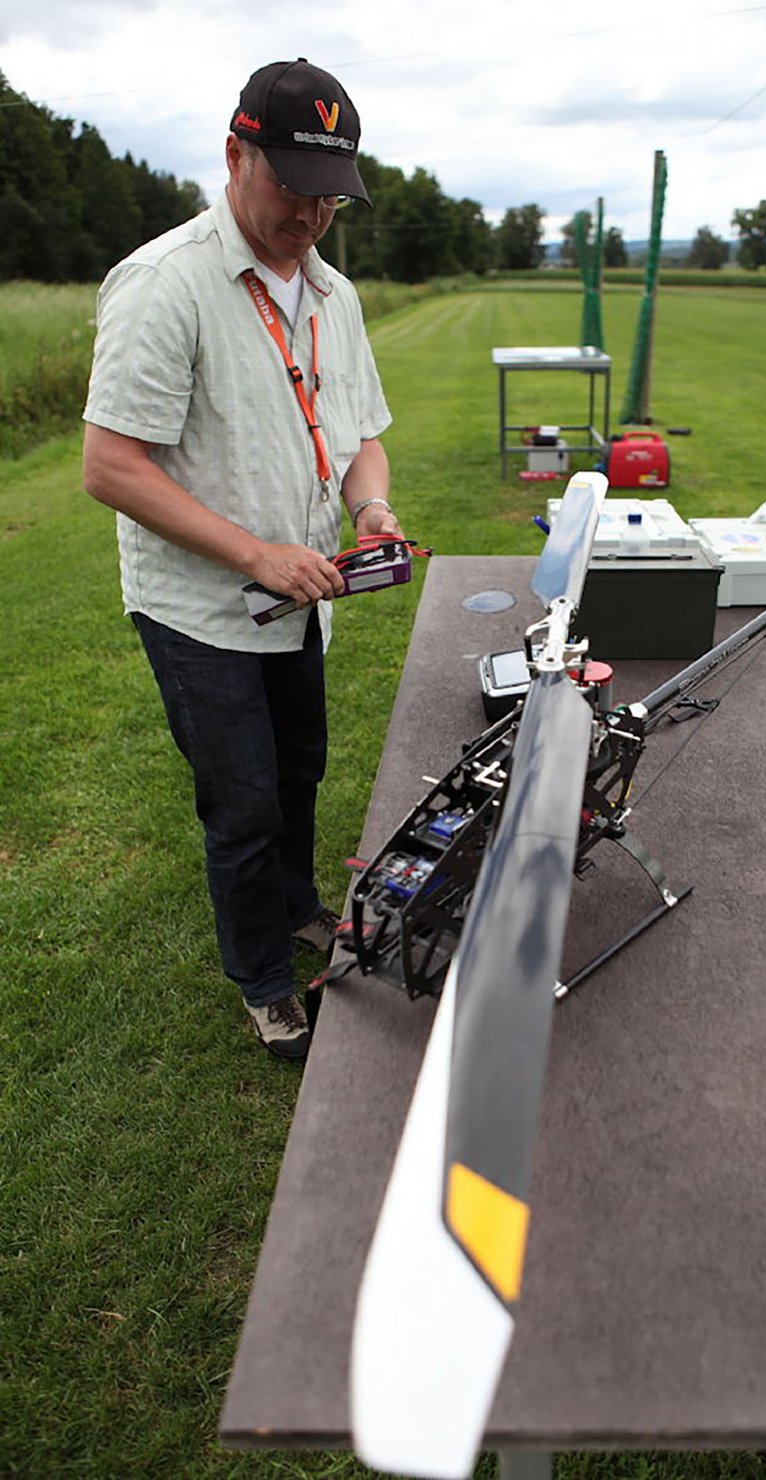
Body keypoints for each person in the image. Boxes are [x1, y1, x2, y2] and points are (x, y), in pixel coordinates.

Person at [83, 59, 400, 1063]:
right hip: (200, 609)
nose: (310, 214)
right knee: (245, 802)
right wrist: (256, 554)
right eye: (292, 186)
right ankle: (265, 981)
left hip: (300, 597)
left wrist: (371, 506)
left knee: (299, 770)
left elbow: (361, 435)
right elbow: (110, 465)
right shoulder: (164, 283)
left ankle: (297, 904)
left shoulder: (333, 293)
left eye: (329, 195)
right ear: (234, 155)